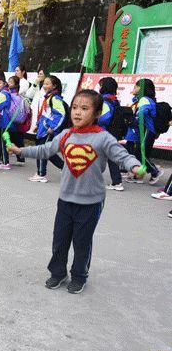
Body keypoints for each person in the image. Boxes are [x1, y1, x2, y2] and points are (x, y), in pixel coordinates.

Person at [8, 89, 142, 294]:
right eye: (76, 108)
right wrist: (21, 151)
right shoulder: (66, 135)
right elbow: (45, 150)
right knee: (60, 240)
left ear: (97, 113)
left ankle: (79, 276)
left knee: (82, 242)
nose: (78, 113)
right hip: (65, 200)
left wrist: (134, 166)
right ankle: (58, 272)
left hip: (91, 202)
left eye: (85, 108)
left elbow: (122, 155)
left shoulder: (103, 138)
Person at [125, 79, 165, 186]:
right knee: (142, 153)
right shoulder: (146, 99)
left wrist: (133, 119)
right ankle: (138, 175)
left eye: (136, 86)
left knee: (139, 152)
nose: (135, 88)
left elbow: (142, 112)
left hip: (146, 130)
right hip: (147, 130)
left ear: (141, 88)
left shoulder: (144, 100)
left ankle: (155, 171)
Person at [28, 75, 66, 182]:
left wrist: (52, 127)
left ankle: (41, 174)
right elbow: (44, 114)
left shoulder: (55, 98)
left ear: (54, 86)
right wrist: (37, 124)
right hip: (43, 128)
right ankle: (64, 167)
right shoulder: (48, 97)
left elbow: (61, 114)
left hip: (48, 130)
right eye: (44, 83)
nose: (45, 85)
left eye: (47, 83)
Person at [97, 77, 124, 191]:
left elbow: (104, 119)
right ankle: (117, 182)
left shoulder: (105, 101)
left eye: (100, 85)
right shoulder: (114, 100)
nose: (99, 87)